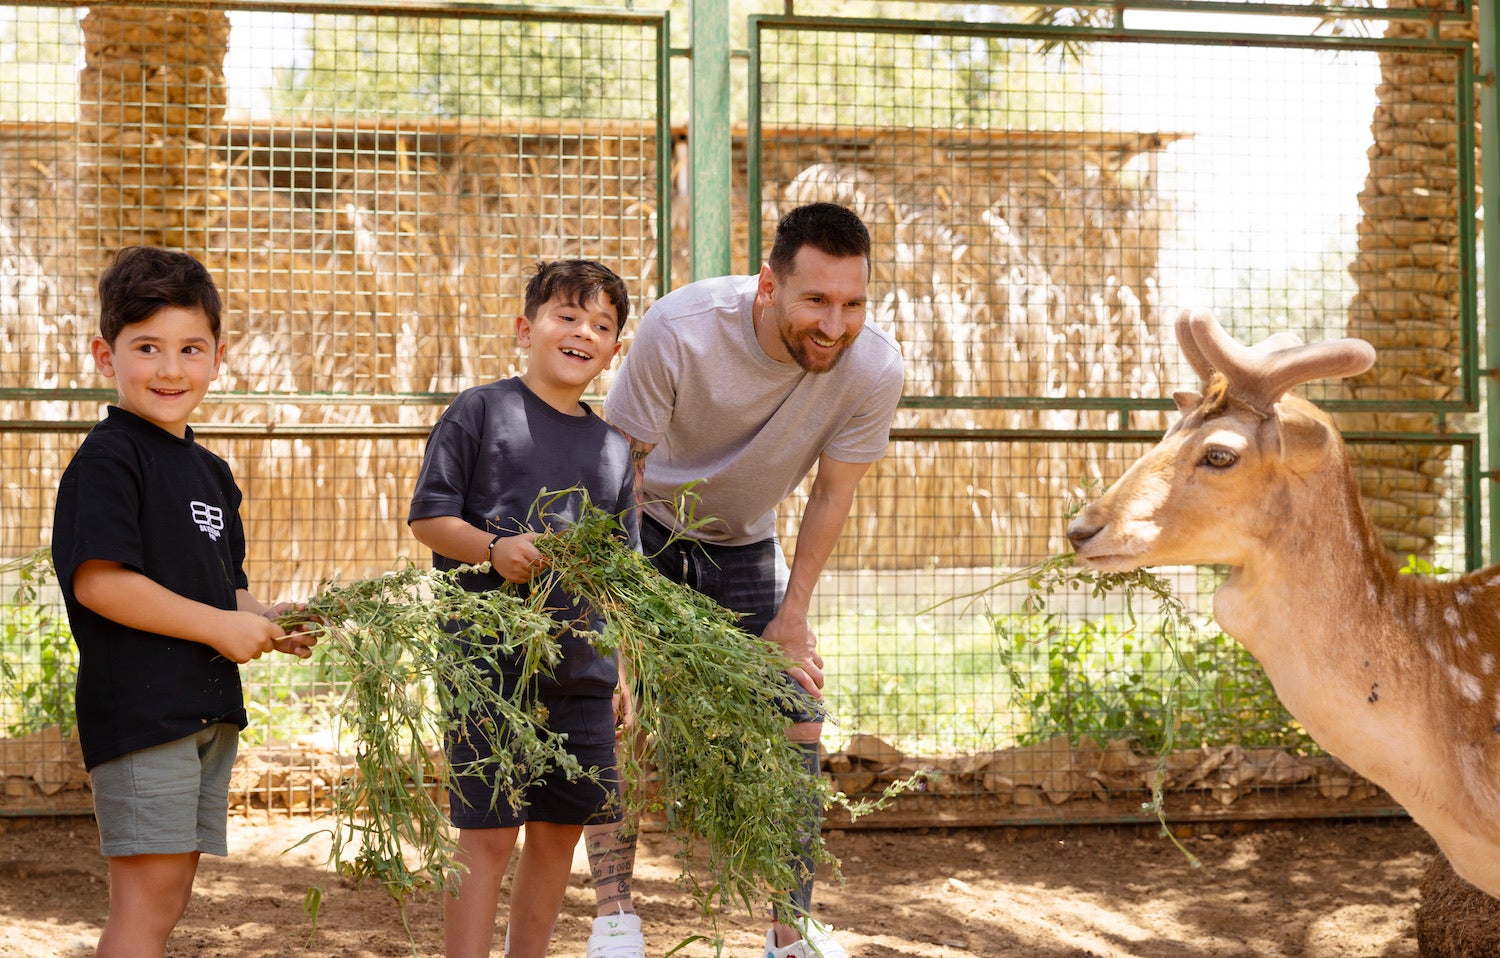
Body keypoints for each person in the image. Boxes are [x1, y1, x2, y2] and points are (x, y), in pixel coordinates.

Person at [590, 202, 905, 958]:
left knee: (798, 708)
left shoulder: (874, 369)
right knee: (621, 717)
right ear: (769, 285)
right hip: (648, 528)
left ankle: (787, 933)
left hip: (742, 543)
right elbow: (618, 473)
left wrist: (793, 618)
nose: (835, 324)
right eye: (817, 301)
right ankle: (615, 920)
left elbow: (832, 495)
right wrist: (623, 616)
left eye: (853, 303)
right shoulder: (681, 327)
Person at [50, 246, 316, 958]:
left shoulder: (210, 471)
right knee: (145, 904)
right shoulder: (109, 459)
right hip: (142, 713)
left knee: (167, 901)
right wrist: (219, 628)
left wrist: (266, 622)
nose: (171, 369)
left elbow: (222, 585)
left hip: (202, 709)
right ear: (106, 357)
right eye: (147, 348)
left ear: (218, 358)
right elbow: (99, 582)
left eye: (190, 348)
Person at [407, 259, 639, 958]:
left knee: (558, 832)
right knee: (487, 834)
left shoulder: (612, 449)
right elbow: (429, 518)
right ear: (525, 328)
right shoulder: (480, 411)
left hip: (583, 673)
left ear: (614, 351)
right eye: (566, 316)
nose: (582, 333)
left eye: (601, 325)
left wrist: (622, 668)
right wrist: (492, 549)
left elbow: (618, 579)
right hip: (489, 665)